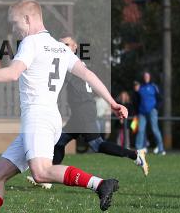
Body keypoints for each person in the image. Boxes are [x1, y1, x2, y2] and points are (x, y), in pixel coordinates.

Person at [0, 0, 127, 213]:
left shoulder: (31, 42)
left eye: (15, 23)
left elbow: (13, 73)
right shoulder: (59, 47)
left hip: (38, 118)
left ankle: (99, 184)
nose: (14, 29)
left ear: (28, 18)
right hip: (49, 119)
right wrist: (112, 102)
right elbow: (87, 74)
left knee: (41, 172)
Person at [39, 36, 147, 183]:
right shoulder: (77, 64)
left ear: (75, 47)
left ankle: (135, 155)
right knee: (59, 142)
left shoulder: (68, 65)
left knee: (96, 144)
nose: (62, 47)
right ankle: (48, 177)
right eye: (60, 44)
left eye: (66, 44)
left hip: (83, 110)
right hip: (81, 110)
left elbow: (53, 80)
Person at [136, 71, 165, 155]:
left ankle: (161, 148)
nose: (146, 77)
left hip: (152, 111)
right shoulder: (140, 87)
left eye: (147, 76)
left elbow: (160, 99)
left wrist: (155, 108)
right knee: (140, 130)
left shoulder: (154, 87)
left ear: (150, 77)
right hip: (142, 112)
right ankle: (138, 150)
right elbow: (136, 100)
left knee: (155, 129)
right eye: (145, 76)